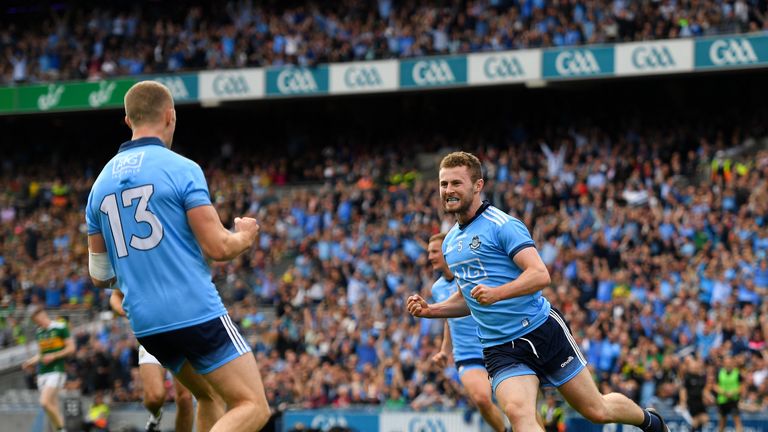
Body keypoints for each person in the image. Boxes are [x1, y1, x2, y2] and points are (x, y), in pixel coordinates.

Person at [407, 151, 669, 432]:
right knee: (520, 416)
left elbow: (540, 275)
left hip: (540, 330)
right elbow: (468, 298)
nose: (448, 190)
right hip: (499, 348)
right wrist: (431, 310)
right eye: (444, 184)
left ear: (478, 185)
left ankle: (650, 421)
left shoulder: (503, 226)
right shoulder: (450, 243)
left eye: (456, 183)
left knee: (597, 410)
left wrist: (498, 294)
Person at [85, 80, 270, 432]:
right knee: (252, 406)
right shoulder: (181, 168)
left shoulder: (98, 186)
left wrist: (138, 268)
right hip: (192, 311)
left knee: (211, 398)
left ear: (128, 121)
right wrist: (245, 236)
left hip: (147, 325)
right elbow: (219, 248)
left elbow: (98, 275)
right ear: (170, 116)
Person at [427, 233, 508, 432]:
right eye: (429, 252)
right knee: (481, 398)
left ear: (447, 253)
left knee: (517, 407)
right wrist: (445, 350)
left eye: (434, 251)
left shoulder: (472, 277)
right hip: (467, 353)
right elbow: (449, 319)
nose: (430, 256)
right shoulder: (437, 288)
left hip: (495, 346)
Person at [110, 288, 194, 432]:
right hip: (151, 336)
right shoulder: (136, 266)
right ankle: (155, 415)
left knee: (185, 398)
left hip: (183, 333)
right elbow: (116, 296)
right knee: (154, 398)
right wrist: (127, 311)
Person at [22, 307, 75, 432]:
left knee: (44, 402)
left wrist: (54, 356)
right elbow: (41, 354)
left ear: (43, 314)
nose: (38, 322)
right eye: (35, 321)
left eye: (38, 319)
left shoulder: (60, 327)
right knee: (53, 407)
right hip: (43, 372)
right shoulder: (39, 332)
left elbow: (71, 348)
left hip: (56, 370)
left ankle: (62, 429)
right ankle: (59, 430)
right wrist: (29, 362)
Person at [678, 357, 710, 432]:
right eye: (693, 367)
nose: (695, 368)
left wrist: (707, 398)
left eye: (696, 366)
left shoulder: (701, 377)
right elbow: (683, 390)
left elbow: (703, 390)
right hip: (691, 402)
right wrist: (683, 402)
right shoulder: (688, 377)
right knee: (695, 421)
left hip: (700, 402)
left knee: (705, 419)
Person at [715, 356, 743, 432]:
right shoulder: (719, 372)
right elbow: (715, 386)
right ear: (723, 363)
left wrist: (733, 392)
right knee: (722, 423)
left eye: (730, 362)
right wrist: (724, 392)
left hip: (733, 400)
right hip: (722, 400)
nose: (728, 364)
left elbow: (742, 386)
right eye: (726, 363)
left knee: (737, 420)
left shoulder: (737, 372)